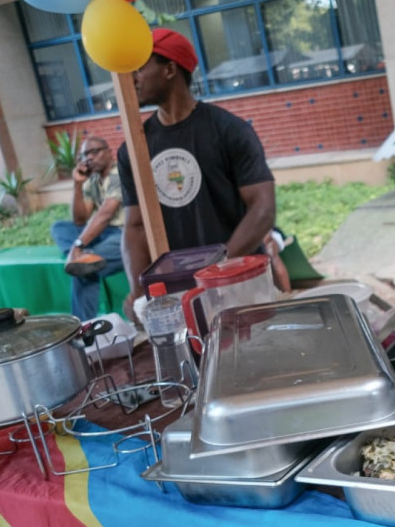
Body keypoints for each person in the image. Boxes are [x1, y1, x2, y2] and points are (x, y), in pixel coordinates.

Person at [117, 28, 276, 319]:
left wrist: (217, 273)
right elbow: (135, 226)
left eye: (139, 68)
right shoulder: (134, 149)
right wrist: (139, 291)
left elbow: (262, 209)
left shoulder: (229, 130)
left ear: (169, 69)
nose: (132, 79)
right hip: (178, 293)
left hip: (239, 284)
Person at [50, 135, 125, 321]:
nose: (89, 157)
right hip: (104, 233)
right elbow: (80, 219)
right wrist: (77, 184)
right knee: (60, 227)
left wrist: (78, 244)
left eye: (95, 152)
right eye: (85, 154)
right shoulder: (93, 180)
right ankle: (82, 256)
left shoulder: (118, 174)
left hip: (123, 233)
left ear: (109, 152)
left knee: (84, 270)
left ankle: (83, 325)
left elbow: (105, 214)